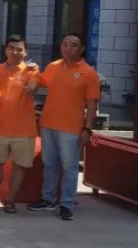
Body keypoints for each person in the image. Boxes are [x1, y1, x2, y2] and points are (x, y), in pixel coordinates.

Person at [28, 33, 100, 221]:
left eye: (74, 45)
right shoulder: (52, 67)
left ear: (82, 49)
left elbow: (92, 104)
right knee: (49, 164)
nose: (68, 48)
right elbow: (39, 82)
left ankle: (67, 203)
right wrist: (31, 71)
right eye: (65, 44)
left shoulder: (88, 73)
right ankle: (48, 199)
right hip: (48, 124)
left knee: (69, 167)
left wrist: (87, 129)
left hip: (71, 128)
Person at [0, 35, 40, 214]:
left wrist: (32, 85)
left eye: (19, 49)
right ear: (5, 50)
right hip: (0, 127)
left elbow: (34, 86)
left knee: (19, 167)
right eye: (11, 48)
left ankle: (10, 199)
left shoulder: (31, 71)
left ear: (25, 52)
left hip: (24, 130)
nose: (15, 52)